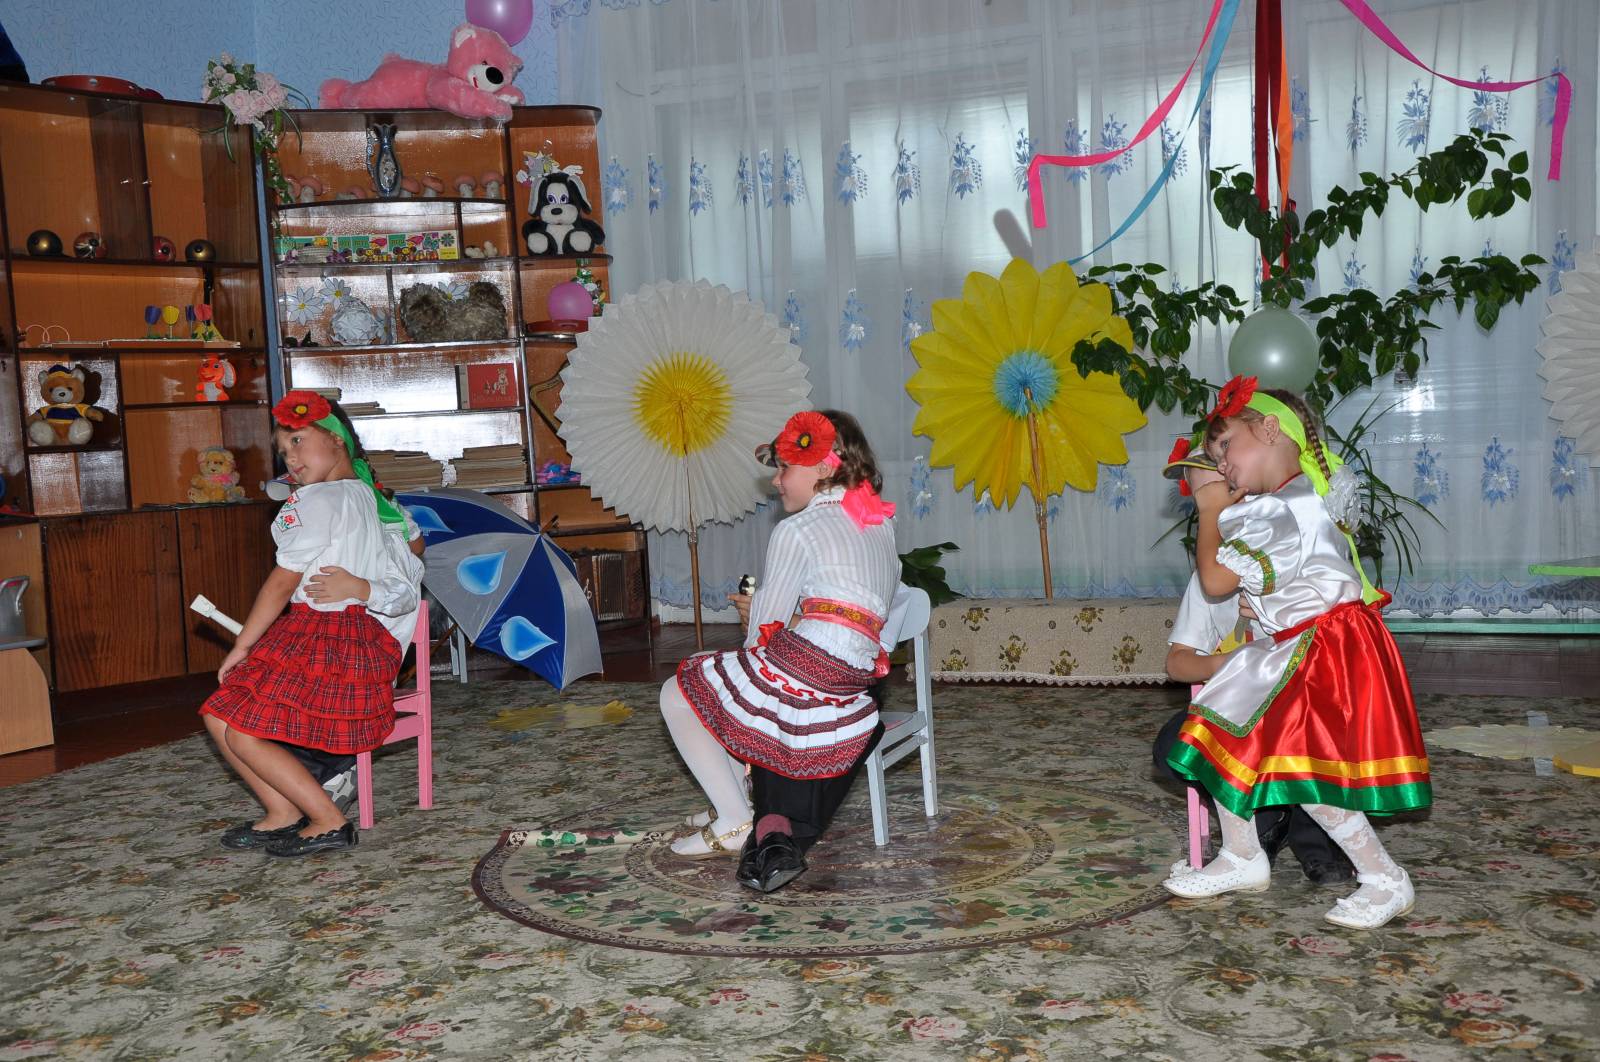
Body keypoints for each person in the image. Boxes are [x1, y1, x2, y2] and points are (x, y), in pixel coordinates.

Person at [1163, 379, 1430, 930]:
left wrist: (1210, 509)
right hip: (1304, 643)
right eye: (1214, 459)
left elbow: (1215, 581)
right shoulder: (1297, 497)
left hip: (1322, 649)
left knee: (1305, 770)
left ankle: (1384, 877)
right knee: (1222, 727)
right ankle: (1242, 854)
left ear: (1269, 430)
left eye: (1225, 447)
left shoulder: (1280, 508)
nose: (1222, 466)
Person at [659, 409, 900, 893]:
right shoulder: (878, 523)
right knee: (725, 687)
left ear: (824, 467)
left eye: (785, 467)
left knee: (684, 689)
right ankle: (738, 800)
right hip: (855, 678)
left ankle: (733, 817)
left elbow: (763, 630)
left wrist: (755, 625)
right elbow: (867, 608)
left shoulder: (798, 529)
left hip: (812, 670)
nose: (775, 481)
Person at [200, 391, 424, 857]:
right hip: (317, 634)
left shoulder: (324, 498)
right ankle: (283, 811)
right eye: (284, 450)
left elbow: (282, 581)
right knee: (218, 713)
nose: (290, 457)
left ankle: (328, 821)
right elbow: (411, 553)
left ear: (337, 440)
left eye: (298, 441)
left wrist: (242, 645)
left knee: (241, 728)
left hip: (336, 642)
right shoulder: (367, 497)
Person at [1154, 440, 1354, 885]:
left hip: (1305, 707)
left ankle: (1313, 836)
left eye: (1211, 491)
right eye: (1197, 496)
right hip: (1243, 711)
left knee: (1310, 731)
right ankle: (1266, 819)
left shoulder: (1297, 552)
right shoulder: (1209, 578)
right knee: (1173, 746)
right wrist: (1234, 662)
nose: (1205, 506)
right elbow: (1178, 663)